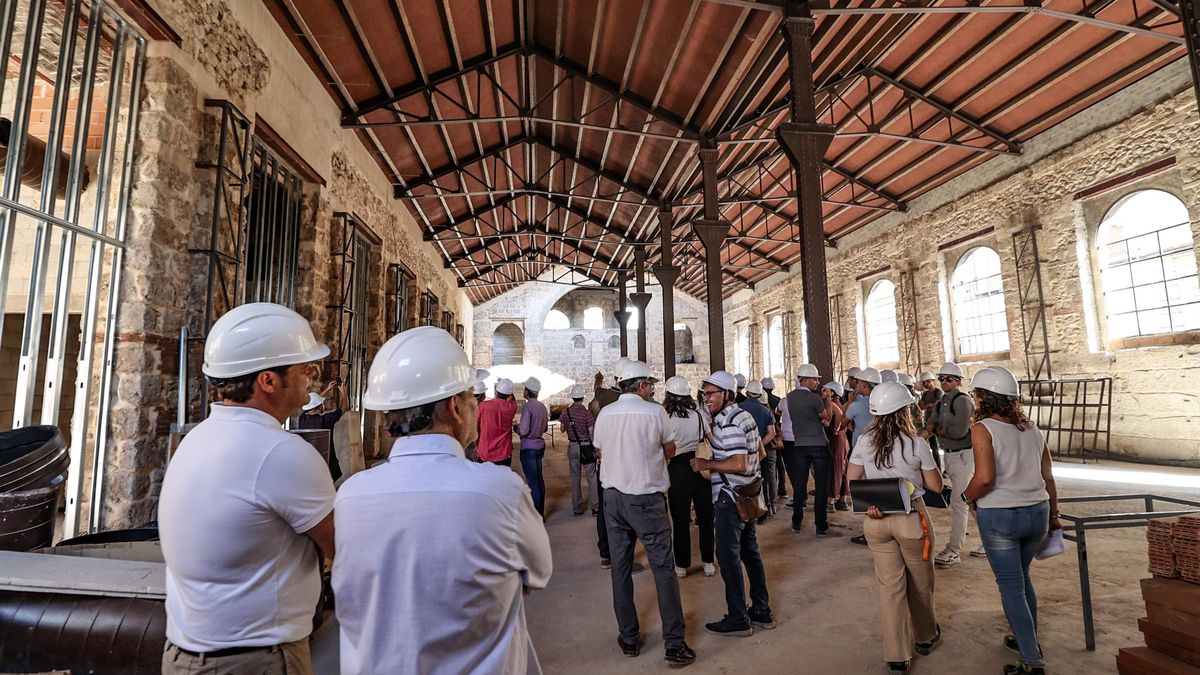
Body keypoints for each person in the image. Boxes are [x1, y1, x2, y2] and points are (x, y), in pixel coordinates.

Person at [332, 327, 552, 674]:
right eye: (470, 399)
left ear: (388, 421)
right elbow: (537, 573)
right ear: (455, 407)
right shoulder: (501, 492)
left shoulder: (350, 496)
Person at [160, 303, 335, 675]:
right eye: (305, 370)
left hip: (183, 655)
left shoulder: (197, 439)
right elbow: (343, 547)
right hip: (256, 659)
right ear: (268, 381)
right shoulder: (282, 453)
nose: (311, 379)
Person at [592, 359, 695, 666]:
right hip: (647, 500)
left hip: (613, 499)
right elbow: (670, 449)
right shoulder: (654, 412)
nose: (651, 389)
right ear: (640, 386)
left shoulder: (606, 414)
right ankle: (674, 644)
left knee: (621, 568)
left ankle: (628, 637)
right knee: (663, 569)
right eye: (649, 384)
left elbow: (599, 450)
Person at [962, 367, 1060, 675]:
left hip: (1002, 514)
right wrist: (1055, 515)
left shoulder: (983, 428)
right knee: (1022, 577)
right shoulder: (1031, 428)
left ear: (982, 398)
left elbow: (985, 479)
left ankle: (1031, 660)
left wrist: (966, 497)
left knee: (1011, 585)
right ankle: (1025, 640)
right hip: (1038, 511)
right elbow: (1048, 475)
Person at [847, 381, 944, 675]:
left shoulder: (864, 440)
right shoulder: (916, 444)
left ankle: (897, 656)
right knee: (921, 582)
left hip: (876, 521)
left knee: (891, 587)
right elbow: (935, 486)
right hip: (911, 520)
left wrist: (873, 501)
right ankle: (925, 637)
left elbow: (853, 481)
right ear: (905, 410)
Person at [691, 371, 775, 637]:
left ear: (727, 394)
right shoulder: (745, 416)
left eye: (711, 393)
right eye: (704, 394)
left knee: (728, 558)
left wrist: (708, 463)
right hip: (747, 496)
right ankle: (761, 611)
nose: (706, 399)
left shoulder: (727, 423)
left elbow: (738, 462)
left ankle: (738, 618)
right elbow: (759, 453)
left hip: (730, 499)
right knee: (751, 553)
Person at [925, 361, 986, 566]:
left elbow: (958, 432)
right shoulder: (943, 400)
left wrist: (937, 430)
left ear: (958, 381)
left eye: (949, 379)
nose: (944, 382)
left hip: (962, 455)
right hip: (950, 455)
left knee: (959, 502)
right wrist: (930, 428)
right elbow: (932, 420)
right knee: (970, 501)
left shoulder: (962, 401)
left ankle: (954, 550)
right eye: (941, 378)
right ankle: (991, 540)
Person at [663, 375, 715, 579]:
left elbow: (662, 448)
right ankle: (708, 562)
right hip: (701, 466)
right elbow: (712, 439)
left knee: (680, 519)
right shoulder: (700, 415)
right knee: (705, 517)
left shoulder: (665, 418)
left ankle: (682, 565)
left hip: (677, 470)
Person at [780, 364, 834, 536]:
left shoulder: (789, 397)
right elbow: (827, 419)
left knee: (799, 486)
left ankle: (796, 522)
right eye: (815, 380)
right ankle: (820, 525)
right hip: (818, 444)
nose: (817, 384)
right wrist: (827, 399)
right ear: (807, 380)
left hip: (799, 446)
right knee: (821, 486)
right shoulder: (815, 399)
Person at [845, 367, 881, 545]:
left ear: (865, 386)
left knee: (866, 492)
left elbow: (842, 423)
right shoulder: (882, 403)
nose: (856, 385)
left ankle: (871, 533)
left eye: (858, 383)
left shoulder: (856, 406)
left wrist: (849, 402)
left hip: (863, 453)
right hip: (882, 451)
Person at [740, 380, 777, 520]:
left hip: (748, 450)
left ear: (747, 392)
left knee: (753, 480)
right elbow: (772, 432)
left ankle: (755, 509)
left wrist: (754, 445)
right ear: (760, 394)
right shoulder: (766, 410)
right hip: (767, 449)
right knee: (770, 477)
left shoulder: (740, 408)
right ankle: (771, 505)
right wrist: (761, 443)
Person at [299, 379, 347, 481]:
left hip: (308, 463)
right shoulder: (326, 420)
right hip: (326, 463)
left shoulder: (302, 419)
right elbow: (345, 407)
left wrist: (327, 389)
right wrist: (343, 392)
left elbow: (313, 403)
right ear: (320, 406)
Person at [561, 384, 598, 516]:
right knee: (591, 477)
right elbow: (591, 433)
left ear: (572, 397)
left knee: (575, 478)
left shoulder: (565, 412)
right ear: (582, 397)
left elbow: (562, 429)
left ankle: (577, 509)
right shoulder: (587, 413)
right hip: (586, 446)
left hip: (572, 446)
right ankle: (595, 507)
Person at [519, 377, 549, 515]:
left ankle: (536, 515)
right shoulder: (542, 406)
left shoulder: (527, 407)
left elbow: (524, 430)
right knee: (539, 480)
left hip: (529, 447)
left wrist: (517, 430)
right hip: (539, 446)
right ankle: (541, 512)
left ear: (527, 391)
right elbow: (544, 429)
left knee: (532, 483)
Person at [822, 381, 852, 512]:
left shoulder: (832, 403)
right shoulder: (840, 402)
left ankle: (830, 501)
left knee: (835, 469)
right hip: (842, 439)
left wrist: (835, 428)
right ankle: (842, 500)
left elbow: (839, 416)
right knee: (842, 468)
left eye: (826, 390)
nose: (823, 392)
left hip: (836, 439)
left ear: (833, 393)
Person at [477, 378, 518, 467]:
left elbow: (476, 429)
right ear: (510, 395)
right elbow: (513, 400)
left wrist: (476, 447)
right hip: (504, 454)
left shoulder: (483, 406)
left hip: (485, 453)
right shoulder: (512, 407)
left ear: (496, 391)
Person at [762, 377, 788, 502]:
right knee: (778, 464)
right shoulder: (777, 399)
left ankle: (769, 497)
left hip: (766, 436)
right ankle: (782, 489)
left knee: (768, 468)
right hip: (776, 435)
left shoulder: (763, 405)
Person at [917, 371, 943, 470]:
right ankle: (936, 468)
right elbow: (920, 406)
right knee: (933, 447)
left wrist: (928, 405)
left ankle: (940, 469)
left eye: (924, 383)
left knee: (940, 446)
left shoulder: (938, 392)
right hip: (928, 422)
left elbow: (936, 406)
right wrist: (929, 405)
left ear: (929, 381)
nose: (923, 385)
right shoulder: (925, 394)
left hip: (938, 423)